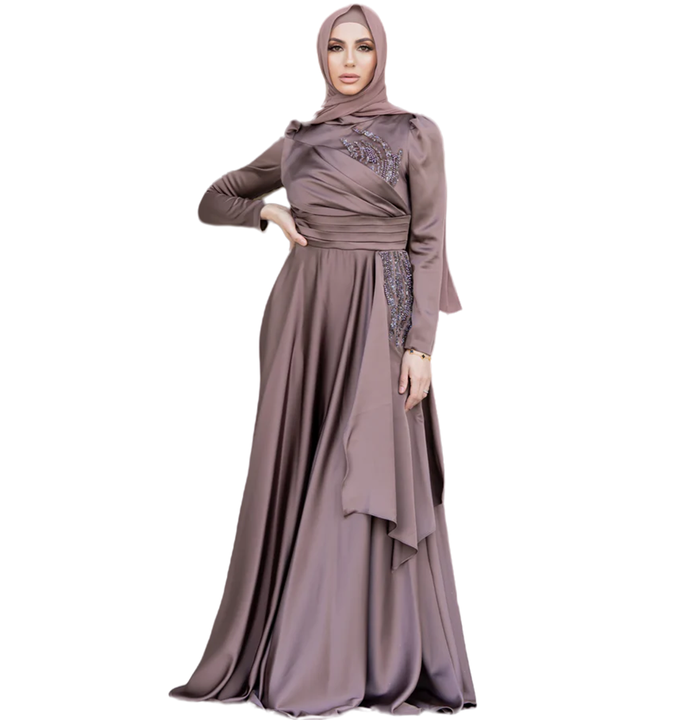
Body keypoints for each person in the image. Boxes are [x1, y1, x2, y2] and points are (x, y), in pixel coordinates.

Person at [168, 4, 476, 716]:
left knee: (362, 466)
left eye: (362, 47)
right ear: (321, 55)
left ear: (381, 55)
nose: (349, 60)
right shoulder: (298, 142)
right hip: (303, 321)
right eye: (336, 47)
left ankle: (364, 652)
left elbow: (429, 241)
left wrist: (421, 344)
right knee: (305, 466)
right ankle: (308, 649)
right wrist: (267, 213)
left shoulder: (415, 133)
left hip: (380, 316)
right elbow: (214, 199)